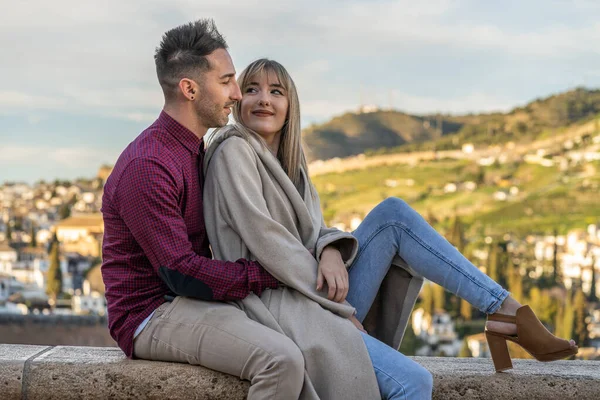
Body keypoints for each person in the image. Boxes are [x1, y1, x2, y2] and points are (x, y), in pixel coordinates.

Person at [203, 59, 579, 400]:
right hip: (278, 307)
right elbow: (272, 246)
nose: (263, 99)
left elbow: (312, 231)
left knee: (393, 216)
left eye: (276, 91)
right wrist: (337, 307)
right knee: (413, 383)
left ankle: (504, 308)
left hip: (311, 295)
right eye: (251, 89)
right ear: (237, 102)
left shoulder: (291, 165)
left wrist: (330, 248)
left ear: (290, 106)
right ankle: (509, 316)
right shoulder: (233, 151)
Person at [101, 20, 308, 400]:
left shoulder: (195, 148)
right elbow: (181, 273)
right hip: (152, 314)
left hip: (191, 302)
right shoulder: (149, 165)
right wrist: (268, 273)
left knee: (304, 338)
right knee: (282, 361)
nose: (235, 93)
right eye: (227, 80)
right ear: (190, 89)